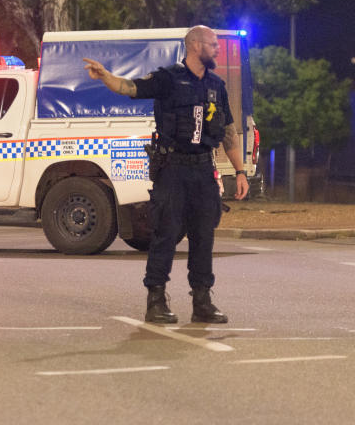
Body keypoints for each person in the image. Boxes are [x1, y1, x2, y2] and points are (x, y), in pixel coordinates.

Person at [83, 25, 249, 324]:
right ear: (196, 45)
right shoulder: (168, 79)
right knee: (166, 234)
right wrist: (106, 77)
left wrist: (240, 171)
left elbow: (227, 132)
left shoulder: (216, 85)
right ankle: (156, 301)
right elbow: (130, 88)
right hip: (172, 169)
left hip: (203, 169)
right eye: (213, 44)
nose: (218, 49)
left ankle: (202, 302)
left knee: (203, 236)